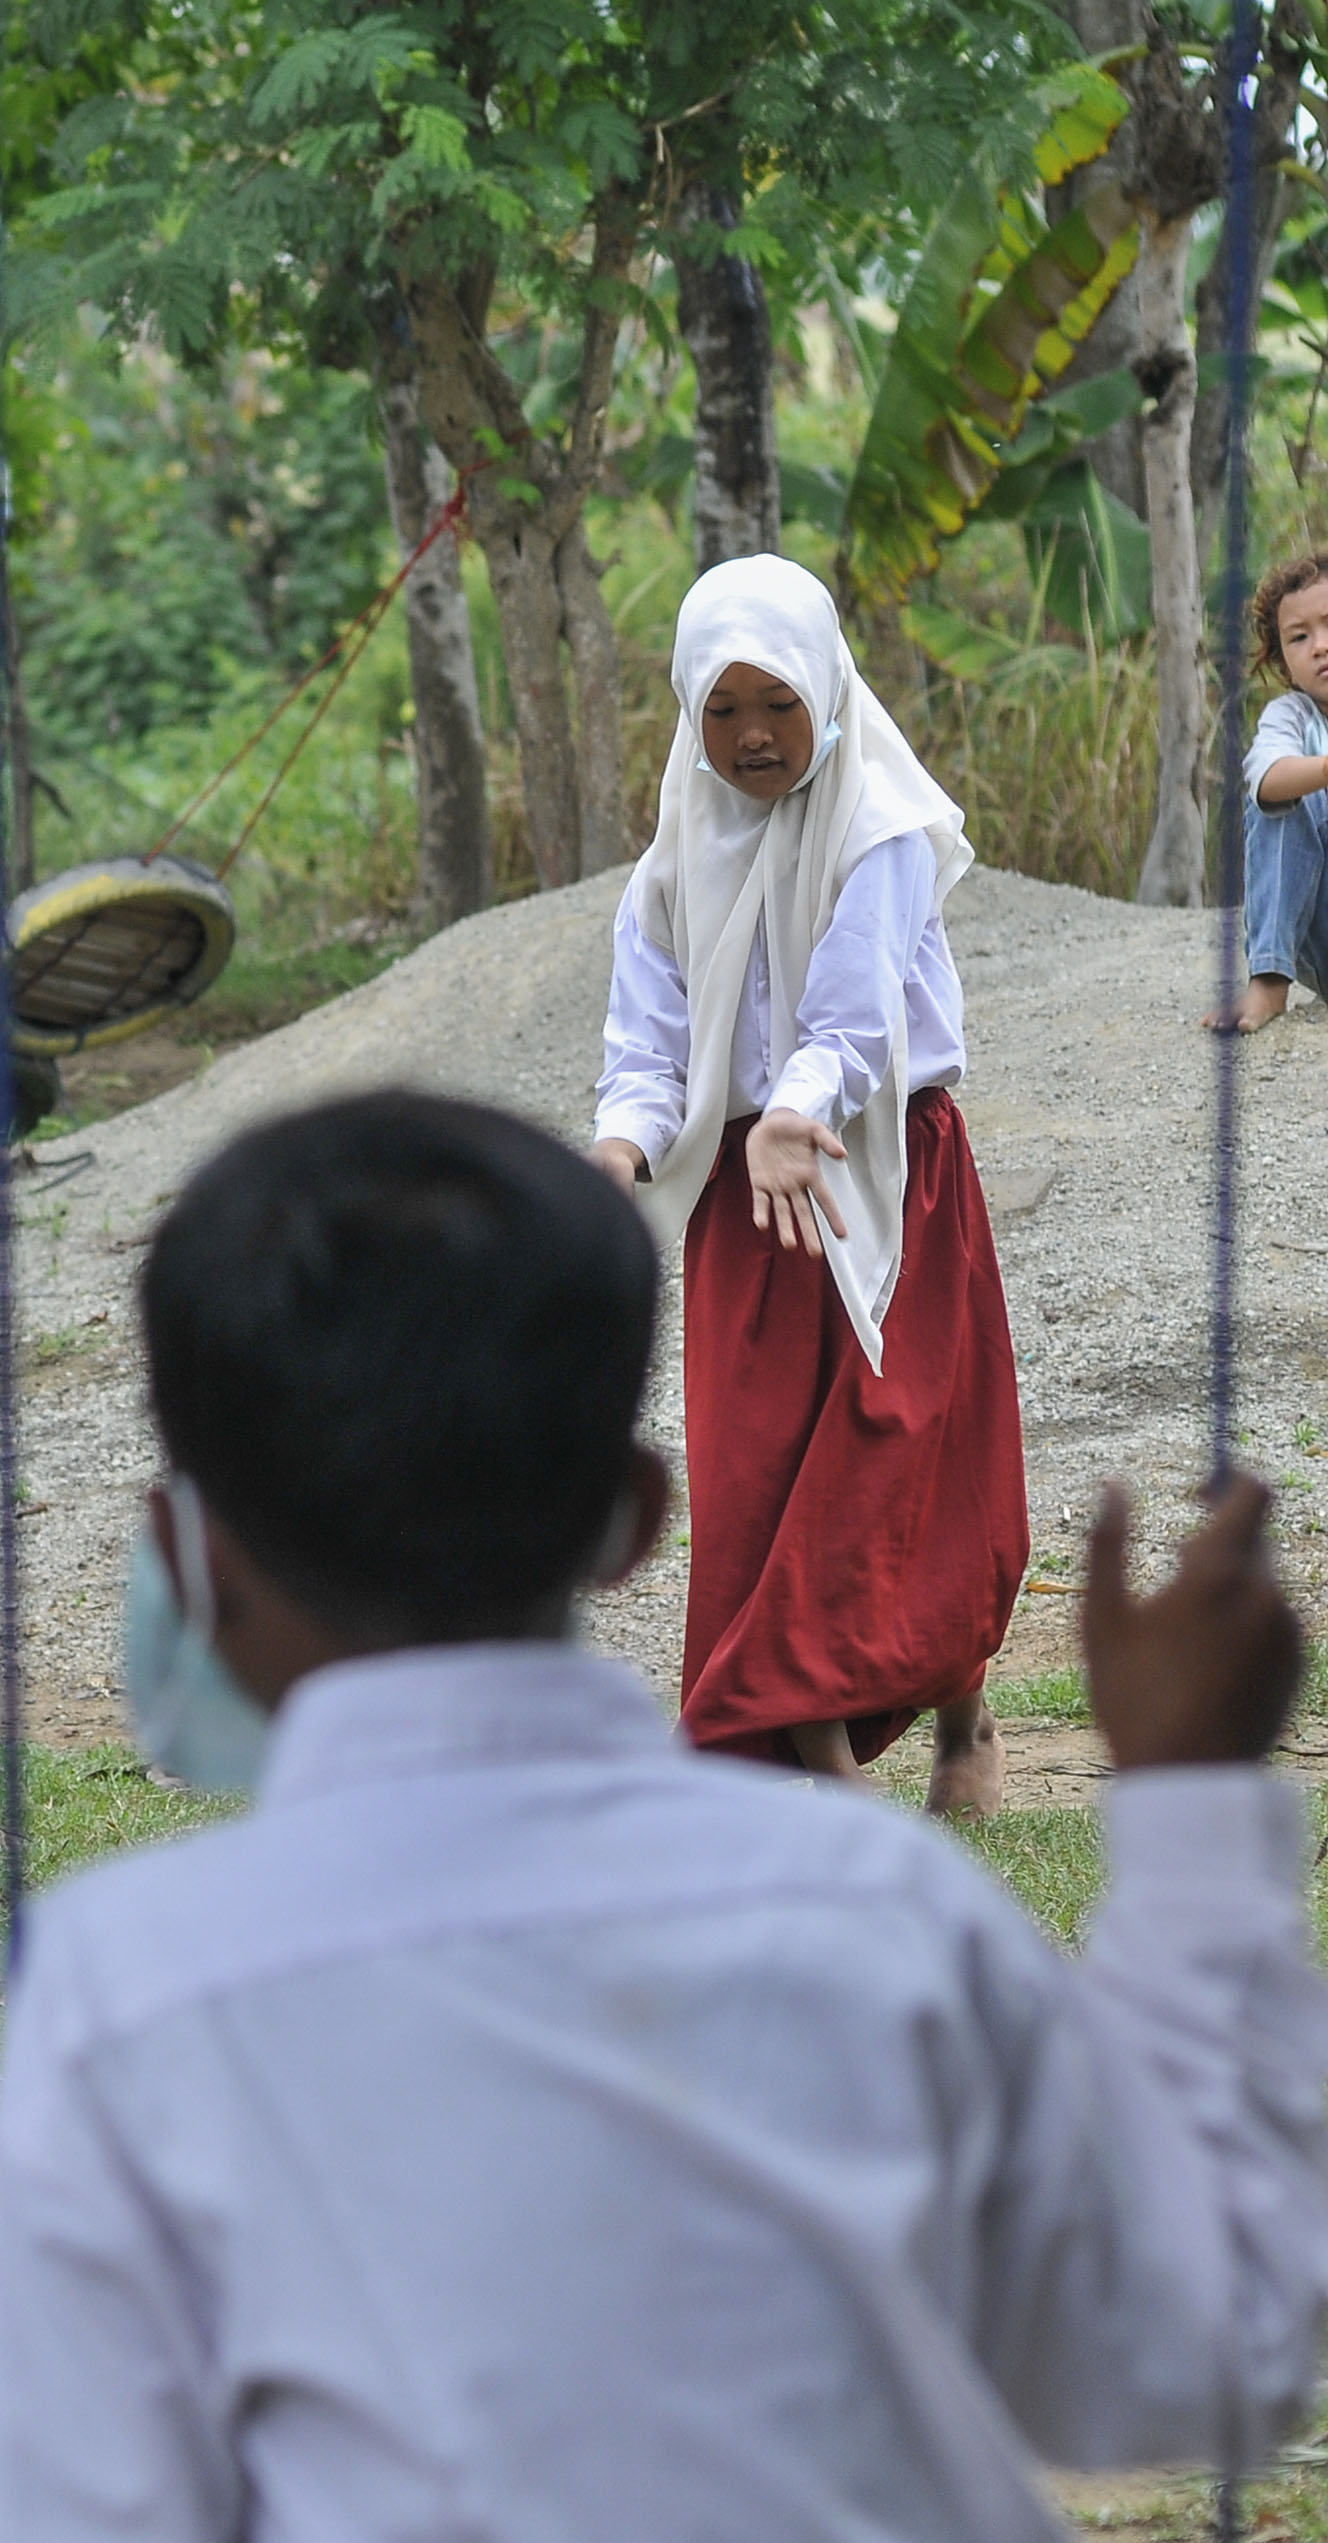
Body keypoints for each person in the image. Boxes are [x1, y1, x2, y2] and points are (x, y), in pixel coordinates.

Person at [0, 1089, 1328, 2543]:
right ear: (637, 1525)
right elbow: (1207, 2347)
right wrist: (1185, 1807)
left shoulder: (131, 1991)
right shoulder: (879, 1906)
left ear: (186, 1562)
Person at [589, 553, 1025, 1811]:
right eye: (720, 711)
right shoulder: (668, 870)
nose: (751, 736)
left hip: (884, 1167)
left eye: (774, 702)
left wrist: (795, 1109)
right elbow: (647, 1048)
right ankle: (818, 1764)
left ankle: (964, 1716)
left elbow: (858, 1004)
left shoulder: (877, 826)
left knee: (904, 1446)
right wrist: (619, 1149)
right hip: (748, 1200)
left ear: (825, 689)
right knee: (762, 1476)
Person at [1220, 550, 1328, 1034]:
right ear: (1282, 658)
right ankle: (1269, 977)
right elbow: (1266, 780)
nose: (1319, 646)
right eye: (1300, 637)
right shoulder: (1292, 717)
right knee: (1280, 798)